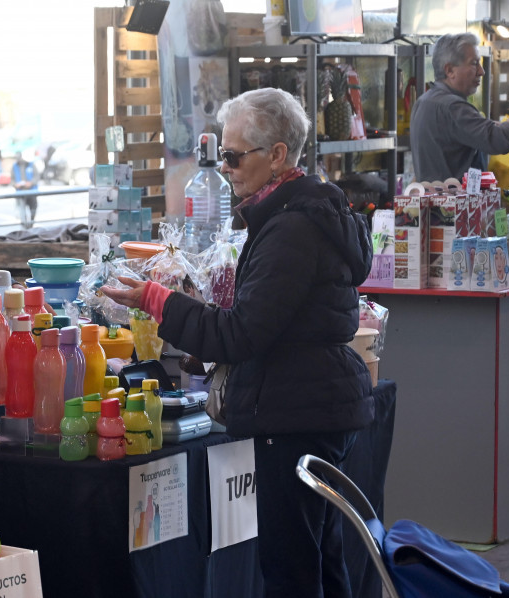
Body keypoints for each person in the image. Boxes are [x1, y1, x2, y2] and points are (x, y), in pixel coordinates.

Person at [102, 87, 374, 597]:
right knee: (323, 559)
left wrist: (159, 302)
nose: (224, 167)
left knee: (294, 568)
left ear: (276, 156)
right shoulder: (303, 214)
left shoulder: (291, 229)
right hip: (320, 405)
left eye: (232, 155)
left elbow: (241, 333)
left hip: (296, 413)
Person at [410, 32, 509, 182]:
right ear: (450, 70)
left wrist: (493, 125)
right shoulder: (454, 108)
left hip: (433, 202)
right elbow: (502, 141)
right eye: (474, 63)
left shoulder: (424, 101)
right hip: (454, 204)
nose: (482, 71)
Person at [11, 151, 38, 228]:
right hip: (20, 192)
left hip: (32, 191)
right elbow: (12, 179)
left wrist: (31, 183)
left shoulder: (31, 165)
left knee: (33, 209)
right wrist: (15, 185)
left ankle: (31, 224)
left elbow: (36, 176)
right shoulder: (14, 166)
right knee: (22, 212)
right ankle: (25, 226)